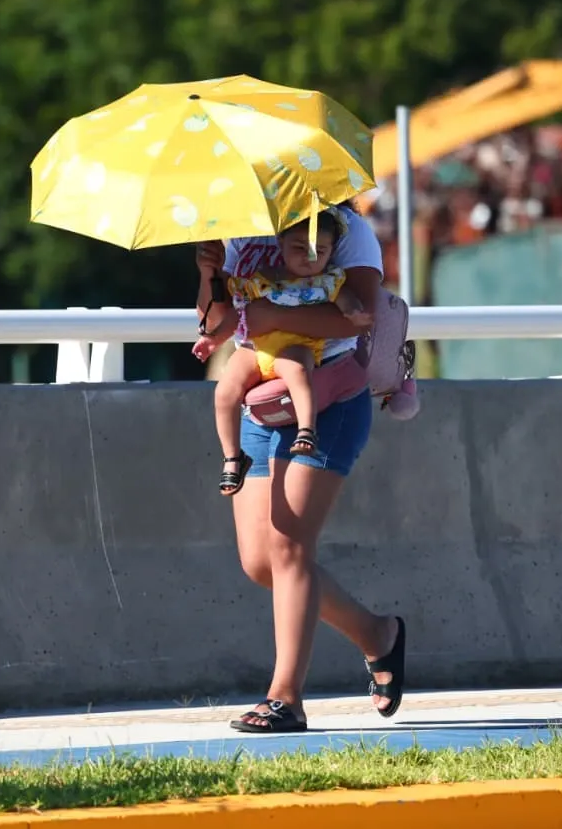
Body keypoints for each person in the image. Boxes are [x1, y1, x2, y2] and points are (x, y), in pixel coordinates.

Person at [193, 201, 407, 733]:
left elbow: (360, 313)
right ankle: (377, 635)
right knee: (260, 562)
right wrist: (210, 273)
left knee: (289, 546)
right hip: (262, 402)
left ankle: (285, 698)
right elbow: (216, 325)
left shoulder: (343, 228)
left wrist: (272, 318)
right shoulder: (237, 224)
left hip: (326, 397)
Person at [192, 210, 369, 496]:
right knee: (225, 389)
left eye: (319, 251)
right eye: (299, 248)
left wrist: (355, 313)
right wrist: (213, 338)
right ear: (281, 244)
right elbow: (237, 313)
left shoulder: (329, 279)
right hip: (258, 348)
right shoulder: (262, 279)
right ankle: (232, 457)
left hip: (299, 345)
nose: (309, 258)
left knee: (297, 372)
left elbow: (349, 302)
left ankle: (306, 430)